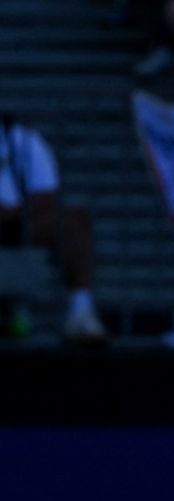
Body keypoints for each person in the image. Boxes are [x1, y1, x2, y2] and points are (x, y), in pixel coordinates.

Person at [0, 115, 107, 342]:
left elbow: (45, 197)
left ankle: (81, 313)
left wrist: (11, 212)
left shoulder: (22, 140)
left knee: (74, 220)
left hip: (19, 225)